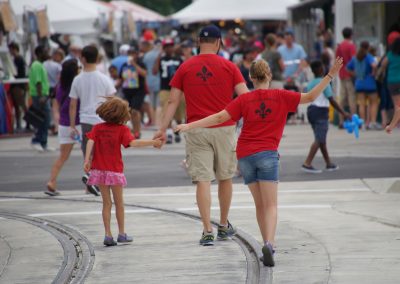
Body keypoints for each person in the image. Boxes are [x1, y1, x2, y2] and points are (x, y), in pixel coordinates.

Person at [175, 57, 344, 266]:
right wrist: (330, 75)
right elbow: (310, 96)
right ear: (270, 76)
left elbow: (219, 118)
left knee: (260, 205)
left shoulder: (244, 99)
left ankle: (266, 245)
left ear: (251, 78)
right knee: (271, 205)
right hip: (268, 155)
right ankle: (270, 244)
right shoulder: (281, 96)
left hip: (245, 156)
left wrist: (189, 126)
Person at [154, 25, 249, 246]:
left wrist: (162, 129)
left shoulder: (185, 67)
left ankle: (207, 230)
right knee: (225, 177)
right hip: (225, 128)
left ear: (198, 42)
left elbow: (172, 100)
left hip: (195, 129)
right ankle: (223, 225)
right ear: (219, 42)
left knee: (203, 180)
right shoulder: (229, 66)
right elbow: (245, 98)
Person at [84, 97, 162, 246]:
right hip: (114, 171)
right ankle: (121, 233)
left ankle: (107, 235)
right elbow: (133, 143)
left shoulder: (98, 128)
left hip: (99, 170)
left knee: (106, 203)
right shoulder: (122, 129)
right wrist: (153, 142)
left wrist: (87, 160)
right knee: (119, 203)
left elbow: (90, 141)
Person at [69, 45, 116, 196]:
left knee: (87, 152)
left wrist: (72, 125)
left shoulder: (77, 79)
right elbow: (112, 100)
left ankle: (90, 180)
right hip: (102, 121)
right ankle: (98, 183)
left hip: (86, 121)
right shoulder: (104, 79)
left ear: (82, 58)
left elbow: (73, 104)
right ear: (97, 59)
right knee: (102, 153)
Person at [301, 61, 350, 173]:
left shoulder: (311, 83)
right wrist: (344, 113)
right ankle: (307, 163)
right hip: (321, 112)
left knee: (321, 138)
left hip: (311, 111)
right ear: (321, 70)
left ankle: (328, 163)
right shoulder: (325, 83)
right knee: (319, 138)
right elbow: (331, 100)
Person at [46, 59, 80, 196]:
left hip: (63, 124)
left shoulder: (60, 86)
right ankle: (90, 184)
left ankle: (52, 181)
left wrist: (56, 118)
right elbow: (74, 105)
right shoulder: (77, 84)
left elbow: (55, 104)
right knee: (88, 155)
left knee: (63, 156)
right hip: (77, 123)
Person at [153, 38, 183, 144]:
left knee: (179, 114)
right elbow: (154, 71)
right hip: (165, 88)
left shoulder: (179, 59)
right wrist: (159, 56)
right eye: (167, 46)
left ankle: (177, 131)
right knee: (167, 111)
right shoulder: (161, 59)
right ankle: (169, 133)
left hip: (178, 89)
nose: (169, 48)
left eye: (171, 46)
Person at [347, 41, 379, 130]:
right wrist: (374, 73)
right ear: (368, 47)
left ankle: (363, 123)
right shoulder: (368, 56)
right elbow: (374, 65)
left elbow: (347, 68)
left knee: (361, 104)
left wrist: (355, 74)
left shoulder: (355, 57)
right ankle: (372, 122)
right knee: (374, 102)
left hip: (359, 83)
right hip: (370, 83)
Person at [119, 46, 147, 138]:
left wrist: (134, 64)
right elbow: (120, 78)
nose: (131, 55)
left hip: (138, 91)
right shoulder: (124, 65)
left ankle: (137, 131)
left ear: (137, 54)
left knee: (135, 111)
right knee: (128, 112)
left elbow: (144, 73)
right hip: (127, 91)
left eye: (133, 53)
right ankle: (132, 130)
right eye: (130, 53)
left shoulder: (140, 63)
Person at [29, 45, 52, 152]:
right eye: (45, 52)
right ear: (39, 54)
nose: (48, 54)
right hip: (39, 96)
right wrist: (41, 96)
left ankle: (43, 142)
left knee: (45, 120)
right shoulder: (37, 65)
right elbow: (38, 82)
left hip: (42, 96)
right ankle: (36, 141)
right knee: (42, 119)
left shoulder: (40, 65)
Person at [336, 27, 357, 127]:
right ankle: (353, 119)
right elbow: (354, 60)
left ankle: (341, 120)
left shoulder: (339, 46)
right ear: (351, 34)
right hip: (350, 74)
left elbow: (337, 60)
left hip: (342, 73)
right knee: (351, 98)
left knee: (342, 98)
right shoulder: (351, 46)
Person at [8, 42, 27, 132]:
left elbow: (18, 73)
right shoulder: (18, 59)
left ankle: (28, 123)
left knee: (22, 105)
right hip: (17, 85)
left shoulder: (18, 59)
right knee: (17, 106)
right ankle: (20, 123)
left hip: (18, 86)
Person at [381, 36, 400, 127]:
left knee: (396, 103)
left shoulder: (390, 54)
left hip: (392, 81)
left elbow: (383, 64)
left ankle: (397, 122)